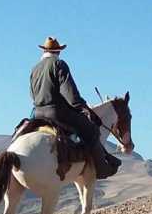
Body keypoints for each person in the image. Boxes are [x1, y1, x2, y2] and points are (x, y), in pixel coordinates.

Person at [29, 36, 121, 179]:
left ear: (44, 50)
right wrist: (84, 108)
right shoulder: (59, 64)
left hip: (37, 113)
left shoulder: (35, 68)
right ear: (58, 51)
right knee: (91, 130)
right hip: (57, 113)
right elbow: (71, 95)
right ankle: (102, 169)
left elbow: (32, 94)